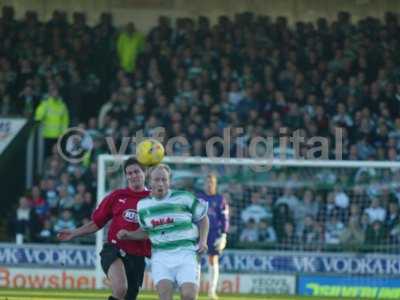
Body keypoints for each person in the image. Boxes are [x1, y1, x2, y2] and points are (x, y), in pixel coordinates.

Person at [57, 157, 151, 300]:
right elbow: (96, 222)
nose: (133, 176)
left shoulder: (153, 200)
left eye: (136, 172)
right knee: (120, 288)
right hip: (114, 250)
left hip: (137, 256)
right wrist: (74, 233)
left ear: (144, 173)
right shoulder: (117, 196)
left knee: (128, 296)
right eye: (129, 173)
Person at [117, 164, 209, 300]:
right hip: (161, 256)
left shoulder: (185, 198)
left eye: (164, 179)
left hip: (187, 253)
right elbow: (146, 231)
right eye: (156, 179)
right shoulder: (143, 205)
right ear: (150, 182)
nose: (160, 183)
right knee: (165, 296)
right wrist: (129, 234)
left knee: (188, 295)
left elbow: (203, 218)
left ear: (169, 181)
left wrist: (203, 241)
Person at [197, 173, 229, 300]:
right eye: (207, 182)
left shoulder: (220, 199)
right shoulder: (198, 197)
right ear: (204, 183)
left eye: (212, 182)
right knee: (196, 260)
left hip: (215, 233)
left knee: (213, 260)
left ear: (215, 184)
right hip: (200, 233)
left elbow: (225, 218)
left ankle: (212, 291)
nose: (209, 185)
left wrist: (224, 235)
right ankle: (195, 290)